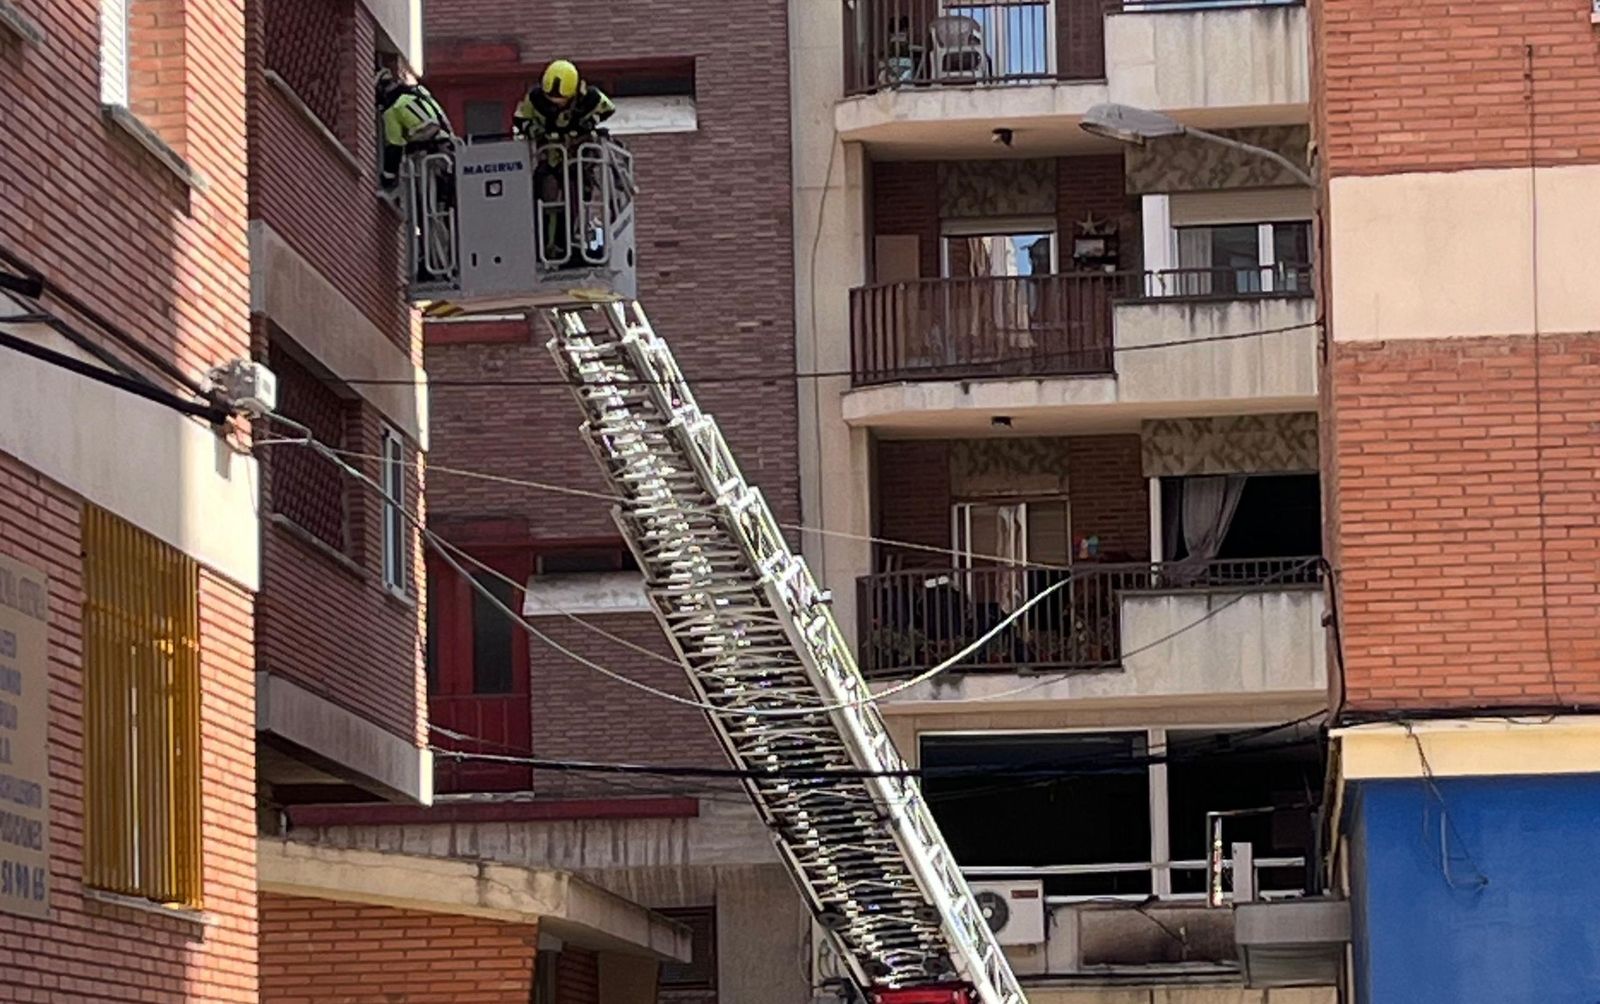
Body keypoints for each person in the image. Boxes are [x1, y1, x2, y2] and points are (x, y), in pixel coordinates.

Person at [514, 60, 615, 265]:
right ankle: (547, 247)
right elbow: (521, 119)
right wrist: (537, 132)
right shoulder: (535, 99)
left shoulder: (590, 97)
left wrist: (588, 124)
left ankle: (574, 241)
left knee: (578, 200)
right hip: (549, 158)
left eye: (560, 100)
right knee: (547, 200)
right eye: (551, 98)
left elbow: (607, 109)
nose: (555, 103)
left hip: (578, 160)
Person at [375, 68, 457, 280]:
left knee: (428, 215)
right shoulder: (420, 93)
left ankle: (436, 266)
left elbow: (394, 146)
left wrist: (387, 177)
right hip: (449, 156)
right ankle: (443, 261)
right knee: (441, 212)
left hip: (427, 163)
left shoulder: (392, 110)